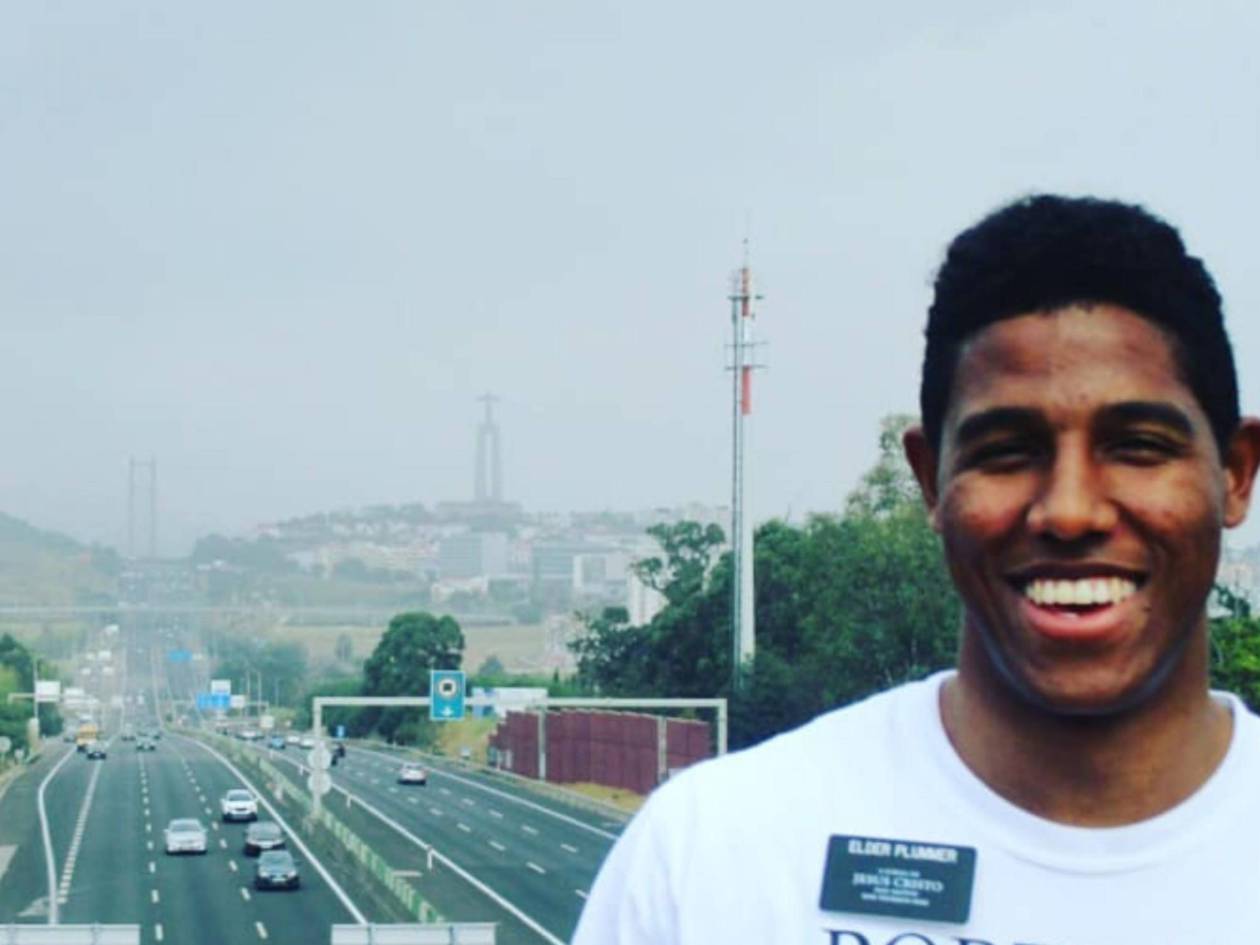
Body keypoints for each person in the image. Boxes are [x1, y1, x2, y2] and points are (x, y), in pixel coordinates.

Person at [570, 194, 1260, 945]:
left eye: (1137, 447)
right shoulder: (715, 855)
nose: (1069, 512)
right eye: (1007, 451)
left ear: (1234, 473)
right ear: (931, 480)